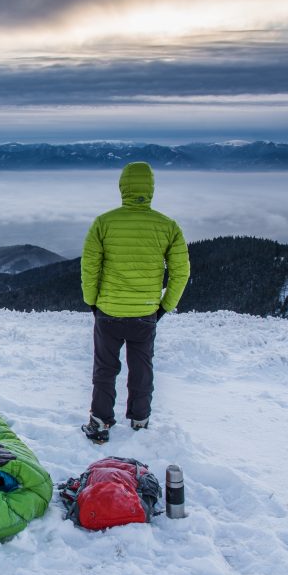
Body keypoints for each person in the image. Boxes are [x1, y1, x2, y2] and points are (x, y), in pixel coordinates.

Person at [80, 162, 190, 443]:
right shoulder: (168, 227)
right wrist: (164, 306)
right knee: (142, 369)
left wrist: (92, 302)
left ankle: (100, 422)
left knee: (105, 368)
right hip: (145, 313)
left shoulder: (103, 223)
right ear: (151, 189)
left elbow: (90, 266)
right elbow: (181, 272)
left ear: (123, 187)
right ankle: (140, 420)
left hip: (108, 312)